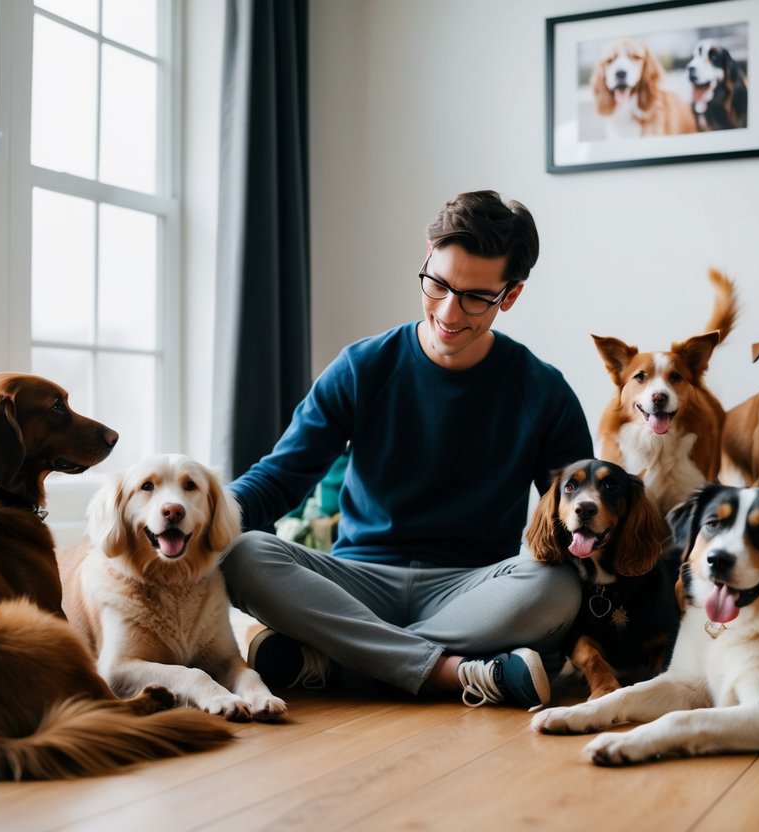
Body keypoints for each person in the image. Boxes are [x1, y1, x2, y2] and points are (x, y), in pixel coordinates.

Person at [222, 190, 594, 709]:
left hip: (472, 589)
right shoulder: (362, 366)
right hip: (357, 581)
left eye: (475, 297)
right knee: (242, 553)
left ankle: (344, 660)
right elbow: (280, 477)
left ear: (509, 295)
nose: (448, 311)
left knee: (556, 587)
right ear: (427, 255)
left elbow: (576, 514)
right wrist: (198, 519)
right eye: (438, 283)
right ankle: (448, 673)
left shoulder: (543, 391)